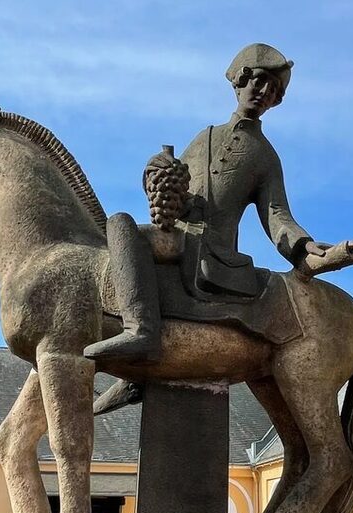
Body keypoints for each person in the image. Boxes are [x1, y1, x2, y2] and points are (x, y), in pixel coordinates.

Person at [85, 43, 329, 363]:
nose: (264, 92)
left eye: (273, 89)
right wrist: (157, 171)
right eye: (258, 81)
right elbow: (175, 190)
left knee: (121, 226)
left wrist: (301, 245)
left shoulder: (266, 157)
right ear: (240, 82)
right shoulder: (206, 136)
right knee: (119, 225)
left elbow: (277, 214)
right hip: (177, 235)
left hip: (211, 250)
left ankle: (141, 331)